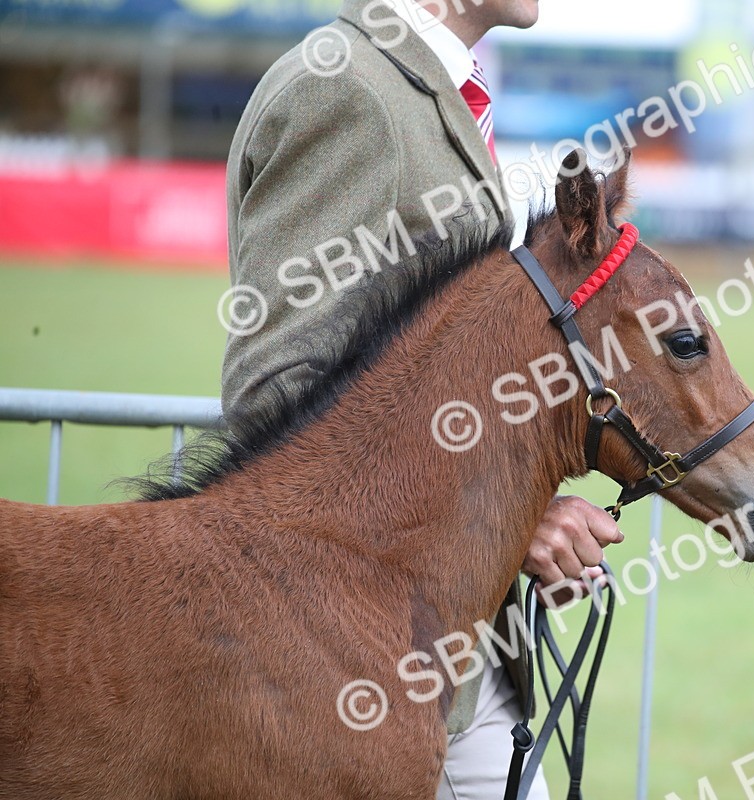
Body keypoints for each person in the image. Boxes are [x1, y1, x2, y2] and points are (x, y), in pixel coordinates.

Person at [220, 1, 623, 797]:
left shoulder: (418, 84)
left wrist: (507, 515)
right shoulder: (346, 89)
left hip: (440, 648)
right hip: (348, 663)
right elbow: (275, 391)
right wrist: (502, 513)